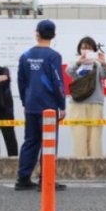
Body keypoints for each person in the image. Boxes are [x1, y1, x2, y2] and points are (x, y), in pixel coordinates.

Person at [16, 20, 66, 191]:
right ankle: (46, 180)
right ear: (54, 35)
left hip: (31, 105)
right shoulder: (53, 56)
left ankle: (23, 178)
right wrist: (62, 105)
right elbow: (57, 82)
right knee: (49, 143)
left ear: (37, 33)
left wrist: (24, 101)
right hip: (49, 107)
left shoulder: (25, 56)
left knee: (30, 141)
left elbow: (21, 82)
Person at [65, 36, 106, 157]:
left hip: (96, 103)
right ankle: (80, 167)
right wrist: (79, 62)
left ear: (94, 50)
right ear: (79, 50)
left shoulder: (98, 65)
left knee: (95, 137)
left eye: (90, 48)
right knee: (79, 136)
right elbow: (68, 71)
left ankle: (95, 165)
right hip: (78, 104)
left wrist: (104, 63)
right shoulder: (75, 63)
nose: (86, 50)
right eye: (84, 48)